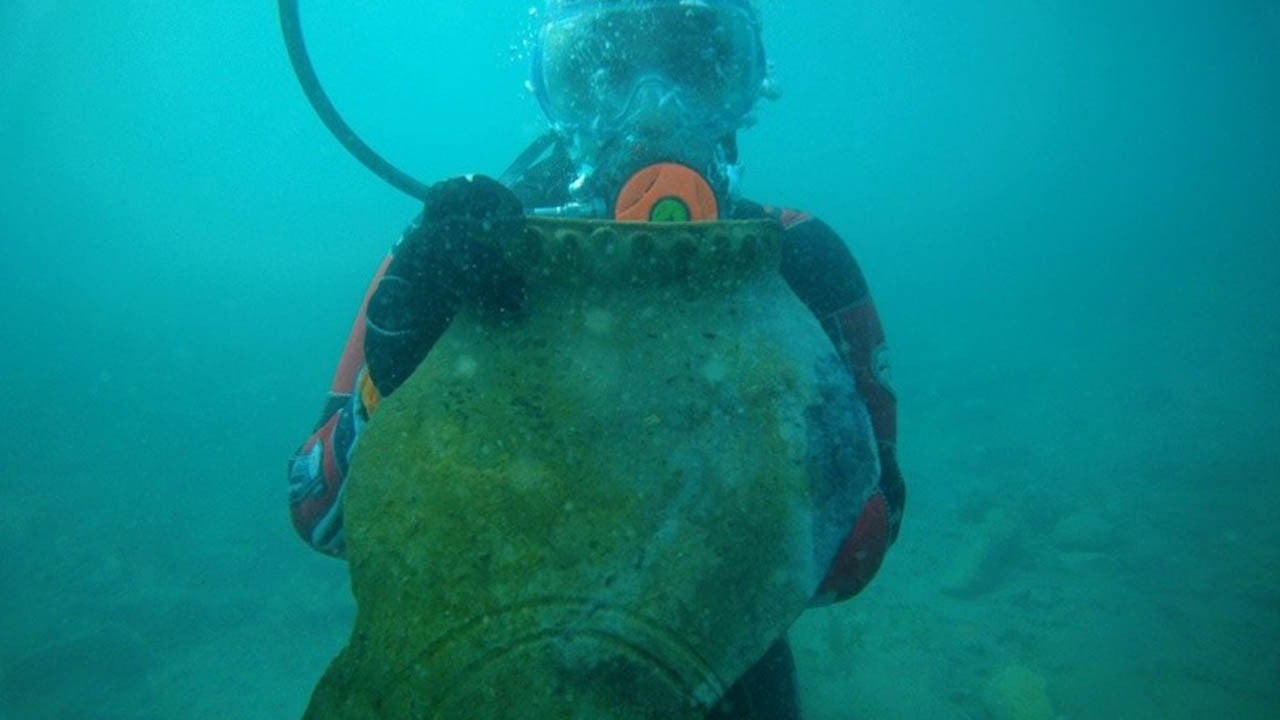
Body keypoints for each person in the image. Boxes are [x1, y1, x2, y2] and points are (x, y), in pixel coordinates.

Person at [287, 1, 905, 717]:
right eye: (604, 73)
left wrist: (797, 430)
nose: (651, 115)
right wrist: (389, 383)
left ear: (744, 85)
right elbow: (319, 513)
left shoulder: (799, 267)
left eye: (695, 69)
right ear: (554, 95)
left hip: (720, 678)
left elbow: (867, 539)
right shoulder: (455, 257)